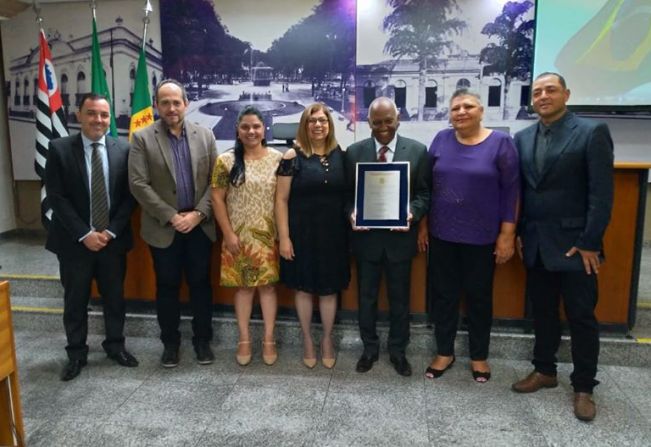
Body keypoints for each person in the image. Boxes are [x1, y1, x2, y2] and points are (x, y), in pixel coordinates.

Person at [511, 72, 614, 422]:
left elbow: (602, 194)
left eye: (550, 90)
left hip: (576, 248)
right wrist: (520, 232)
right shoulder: (522, 138)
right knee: (542, 312)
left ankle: (584, 386)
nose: (542, 96)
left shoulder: (590, 132)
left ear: (566, 94)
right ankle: (545, 371)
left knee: (582, 317)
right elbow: (523, 191)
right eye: (537, 91)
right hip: (537, 243)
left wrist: (590, 242)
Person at [424, 89, 519, 383]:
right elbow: (426, 185)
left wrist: (507, 234)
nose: (461, 112)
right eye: (455, 108)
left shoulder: (501, 143)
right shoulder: (441, 139)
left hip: (482, 237)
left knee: (479, 298)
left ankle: (479, 356)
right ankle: (444, 352)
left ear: (481, 111)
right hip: (442, 234)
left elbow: (512, 191)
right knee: (444, 296)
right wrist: (424, 225)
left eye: (468, 106)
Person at [45, 93, 138, 381]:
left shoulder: (123, 149)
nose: (99, 120)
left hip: (112, 241)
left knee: (114, 297)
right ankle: (76, 354)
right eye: (92, 113)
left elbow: (129, 197)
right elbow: (57, 198)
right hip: (75, 243)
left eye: (104, 115)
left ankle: (115, 346)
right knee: (75, 300)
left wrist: (110, 231)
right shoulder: (59, 149)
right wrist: (85, 234)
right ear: (79, 115)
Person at [129, 79, 217, 368]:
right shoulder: (142, 138)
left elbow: (216, 182)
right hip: (163, 227)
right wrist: (172, 216)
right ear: (156, 105)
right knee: (167, 286)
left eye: (176, 102)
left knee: (200, 284)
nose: (171, 107)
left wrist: (198, 214)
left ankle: (202, 341)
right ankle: (170, 344)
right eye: (164, 102)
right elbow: (138, 184)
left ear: (186, 104)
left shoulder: (205, 136)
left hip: (199, 226)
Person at [344, 97, 430, 376]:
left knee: (400, 300)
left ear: (398, 119)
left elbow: (424, 194)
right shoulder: (354, 153)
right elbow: (346, 196)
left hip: (400, 240)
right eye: (377, 122)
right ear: (368, 122)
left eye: (388, 121)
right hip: (366, 240)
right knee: (366, 298)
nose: (383, 127)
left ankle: (398, 351)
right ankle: (369, 349)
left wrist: (412, 214)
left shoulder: (417, 151)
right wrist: (352, 214)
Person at [275, 104, 350, 369]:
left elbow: (348, 196)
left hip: (334, 236)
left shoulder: (342, 155)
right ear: (304, 126)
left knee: (329, 291)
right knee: (304, 289)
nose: (318, 125)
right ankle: (307, 339)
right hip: (301, 235)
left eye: (323, 120)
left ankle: (327, 339)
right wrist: (284, 238)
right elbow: (281, 201)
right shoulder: (291, 157)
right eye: (312, 121)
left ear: (330, 124)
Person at [211, 106, 283, 366]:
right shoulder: (225, 161)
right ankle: (244, 339)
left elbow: (283, 199)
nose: (251, 131)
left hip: (267, 236)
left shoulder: (278, 159)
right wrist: (228, 234)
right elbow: (217, 199)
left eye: (256, 126)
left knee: (268, 287)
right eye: (245, 127)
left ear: (264, 130)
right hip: (237, 236)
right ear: (238, 131)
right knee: (243, 288)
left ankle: (268, 339)